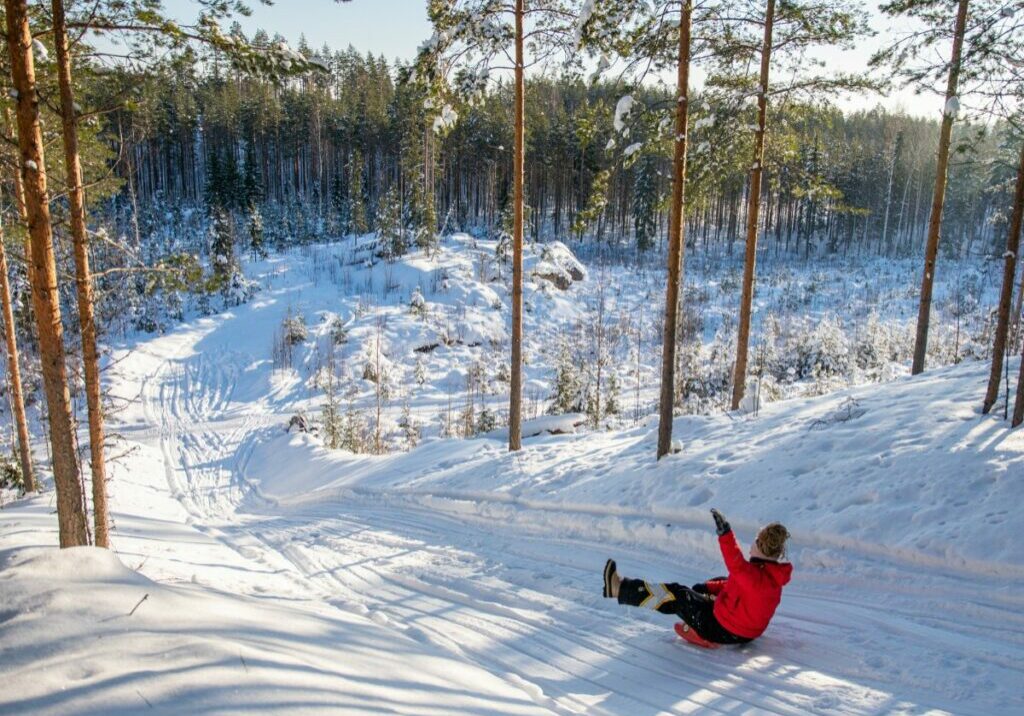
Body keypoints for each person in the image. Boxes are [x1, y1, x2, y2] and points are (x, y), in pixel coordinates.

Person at [603, 509, 792, 645]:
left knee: (677, 595)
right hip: (746, 631)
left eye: (755, 541)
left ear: (760, 546)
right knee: (710, 585)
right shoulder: (770, 575)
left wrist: (725, 534)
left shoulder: (751, 575)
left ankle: (620, 589)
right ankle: (700, 618)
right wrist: (708, 588)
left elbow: (735, 563)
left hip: (725, 630)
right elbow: (735, 584)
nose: (751, 544)